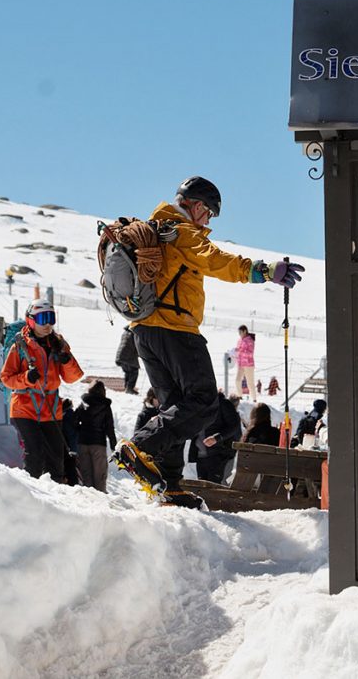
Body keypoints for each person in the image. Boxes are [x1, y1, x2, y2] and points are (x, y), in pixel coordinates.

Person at [113, 175, 304, 509]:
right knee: (203, 402)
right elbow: (215, 260)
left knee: (176, 405)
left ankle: (170, 486)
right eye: (210, 213)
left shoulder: (157, 230)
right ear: (197, 205)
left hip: (144, 331)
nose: (209, 220)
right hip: (176, 329)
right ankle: (140, 447)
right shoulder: (181, 231)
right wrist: (262, 270)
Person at [0, 298, 83, 482]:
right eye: (42, 318)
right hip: (24, 408)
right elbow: (6, 378)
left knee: (56, 460)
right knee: (35, 454)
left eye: (51, 318)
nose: (47, 324)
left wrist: (66, 360)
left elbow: (73, 377)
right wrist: (26, 379)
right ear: (30, 320)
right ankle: (31, 494)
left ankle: (55, 496)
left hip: (51, 409)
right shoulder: (20, 347)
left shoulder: (59, 345)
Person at [188, 392, 240, 484]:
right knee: (201, 488)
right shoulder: (196, 405)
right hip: (200, 456)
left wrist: (217, 438)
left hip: (218, 454)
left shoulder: (223, 404)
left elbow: (234, 426)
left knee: (214, 487)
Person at [74, 380, 117, 492]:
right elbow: (109, 427)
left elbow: (74, 421)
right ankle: (101, 499)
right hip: (99, 444)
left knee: (86, 474)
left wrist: (81, 430)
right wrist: (114, 445)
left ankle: (89, 501)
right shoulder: (105, 406)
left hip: (83, 442)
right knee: (100, 476)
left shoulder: (83, 404)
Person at [61, 398, 82, 486]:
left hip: (68, 448)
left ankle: (71, 484)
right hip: (73, 448)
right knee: (73, 468)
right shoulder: (71, 416)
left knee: (69, 467)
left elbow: (70, 434)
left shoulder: (66, 417)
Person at [234, 325, 257, 401]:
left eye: (240, 332)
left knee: (250, 382)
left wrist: (240, 351)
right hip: (240, 364)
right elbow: (238, 350)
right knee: (237, 380)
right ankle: (239, 396)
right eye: (238, 332)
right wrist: (234, 353)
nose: (239, 334)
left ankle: (254, 399)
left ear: (245, 331)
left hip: (248, 365)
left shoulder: (250, 340)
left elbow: (250, 353)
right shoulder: (240, 340)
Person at [115, 325, 140, 394]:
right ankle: (129, 389)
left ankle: (127, 388)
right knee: (134, 372)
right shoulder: (133, 334)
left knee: (128, 372)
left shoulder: (126, 332)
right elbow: (137, 345)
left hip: (121, 356)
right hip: (128, 356)